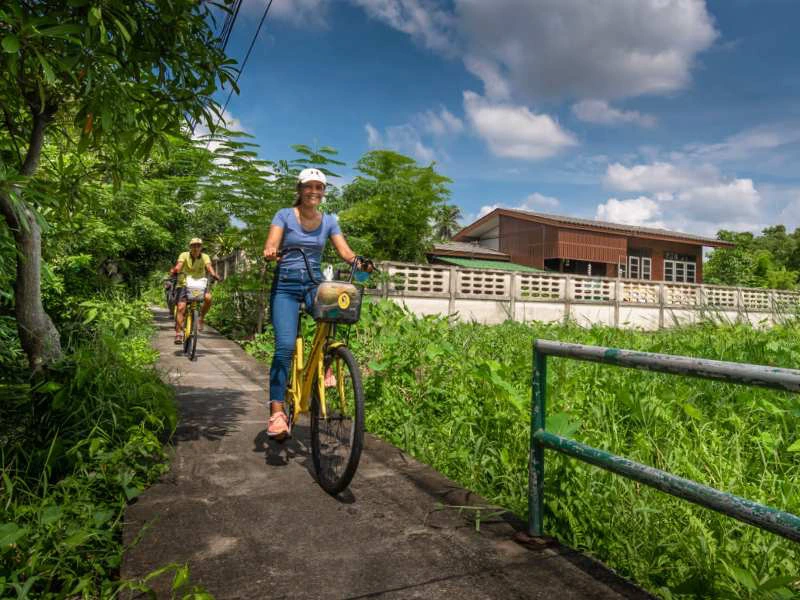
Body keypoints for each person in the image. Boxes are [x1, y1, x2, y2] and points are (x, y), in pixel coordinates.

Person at [263, 167, 362, 439]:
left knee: (335, 310)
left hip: (313, 284)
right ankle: (277, 411)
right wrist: (271, 251)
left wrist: (358, 262)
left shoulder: (329, 221)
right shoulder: (284, 215)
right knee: (284, 346)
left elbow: (345, 252)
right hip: (285, 286)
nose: (314, 192)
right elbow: (272, 241)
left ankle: (326, 364)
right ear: (300, 190)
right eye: (309, 186)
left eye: (319, 187)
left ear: (324, 191)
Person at [170, 238, 220, 344]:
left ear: (201, 247)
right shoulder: (184, 255)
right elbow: (179, 265)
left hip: (199, 284)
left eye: (198, 246)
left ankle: (201, 318)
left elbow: (209, 266)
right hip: (184, 283)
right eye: (194, 246)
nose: (196, 248)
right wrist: (175, 271)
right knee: (181, 307)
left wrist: (214, 274)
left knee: (208, 298)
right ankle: (178, 333)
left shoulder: (205, 257)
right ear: (190, 247)